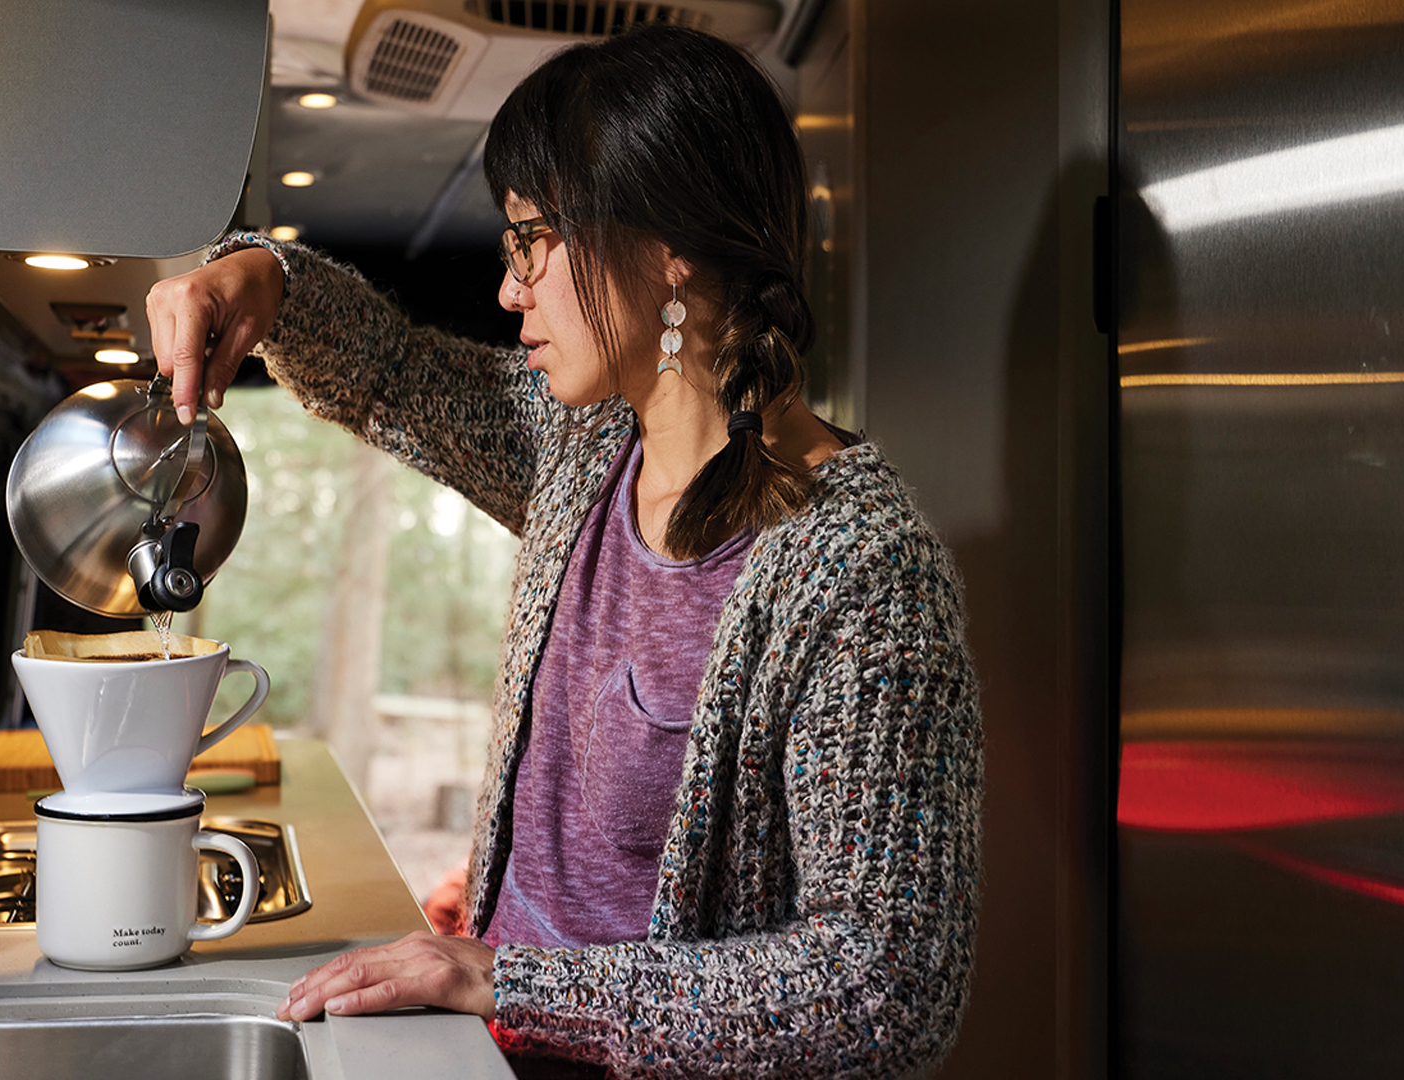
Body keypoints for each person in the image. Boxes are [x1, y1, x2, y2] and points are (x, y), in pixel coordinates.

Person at [147, 25, 981, 1079]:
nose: (511, 289)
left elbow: (885, 988)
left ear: (669, 247)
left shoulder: (861, 567)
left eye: (533, 241)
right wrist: (255, 279)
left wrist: (508, 978)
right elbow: (393, 373)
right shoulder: (585, 452)